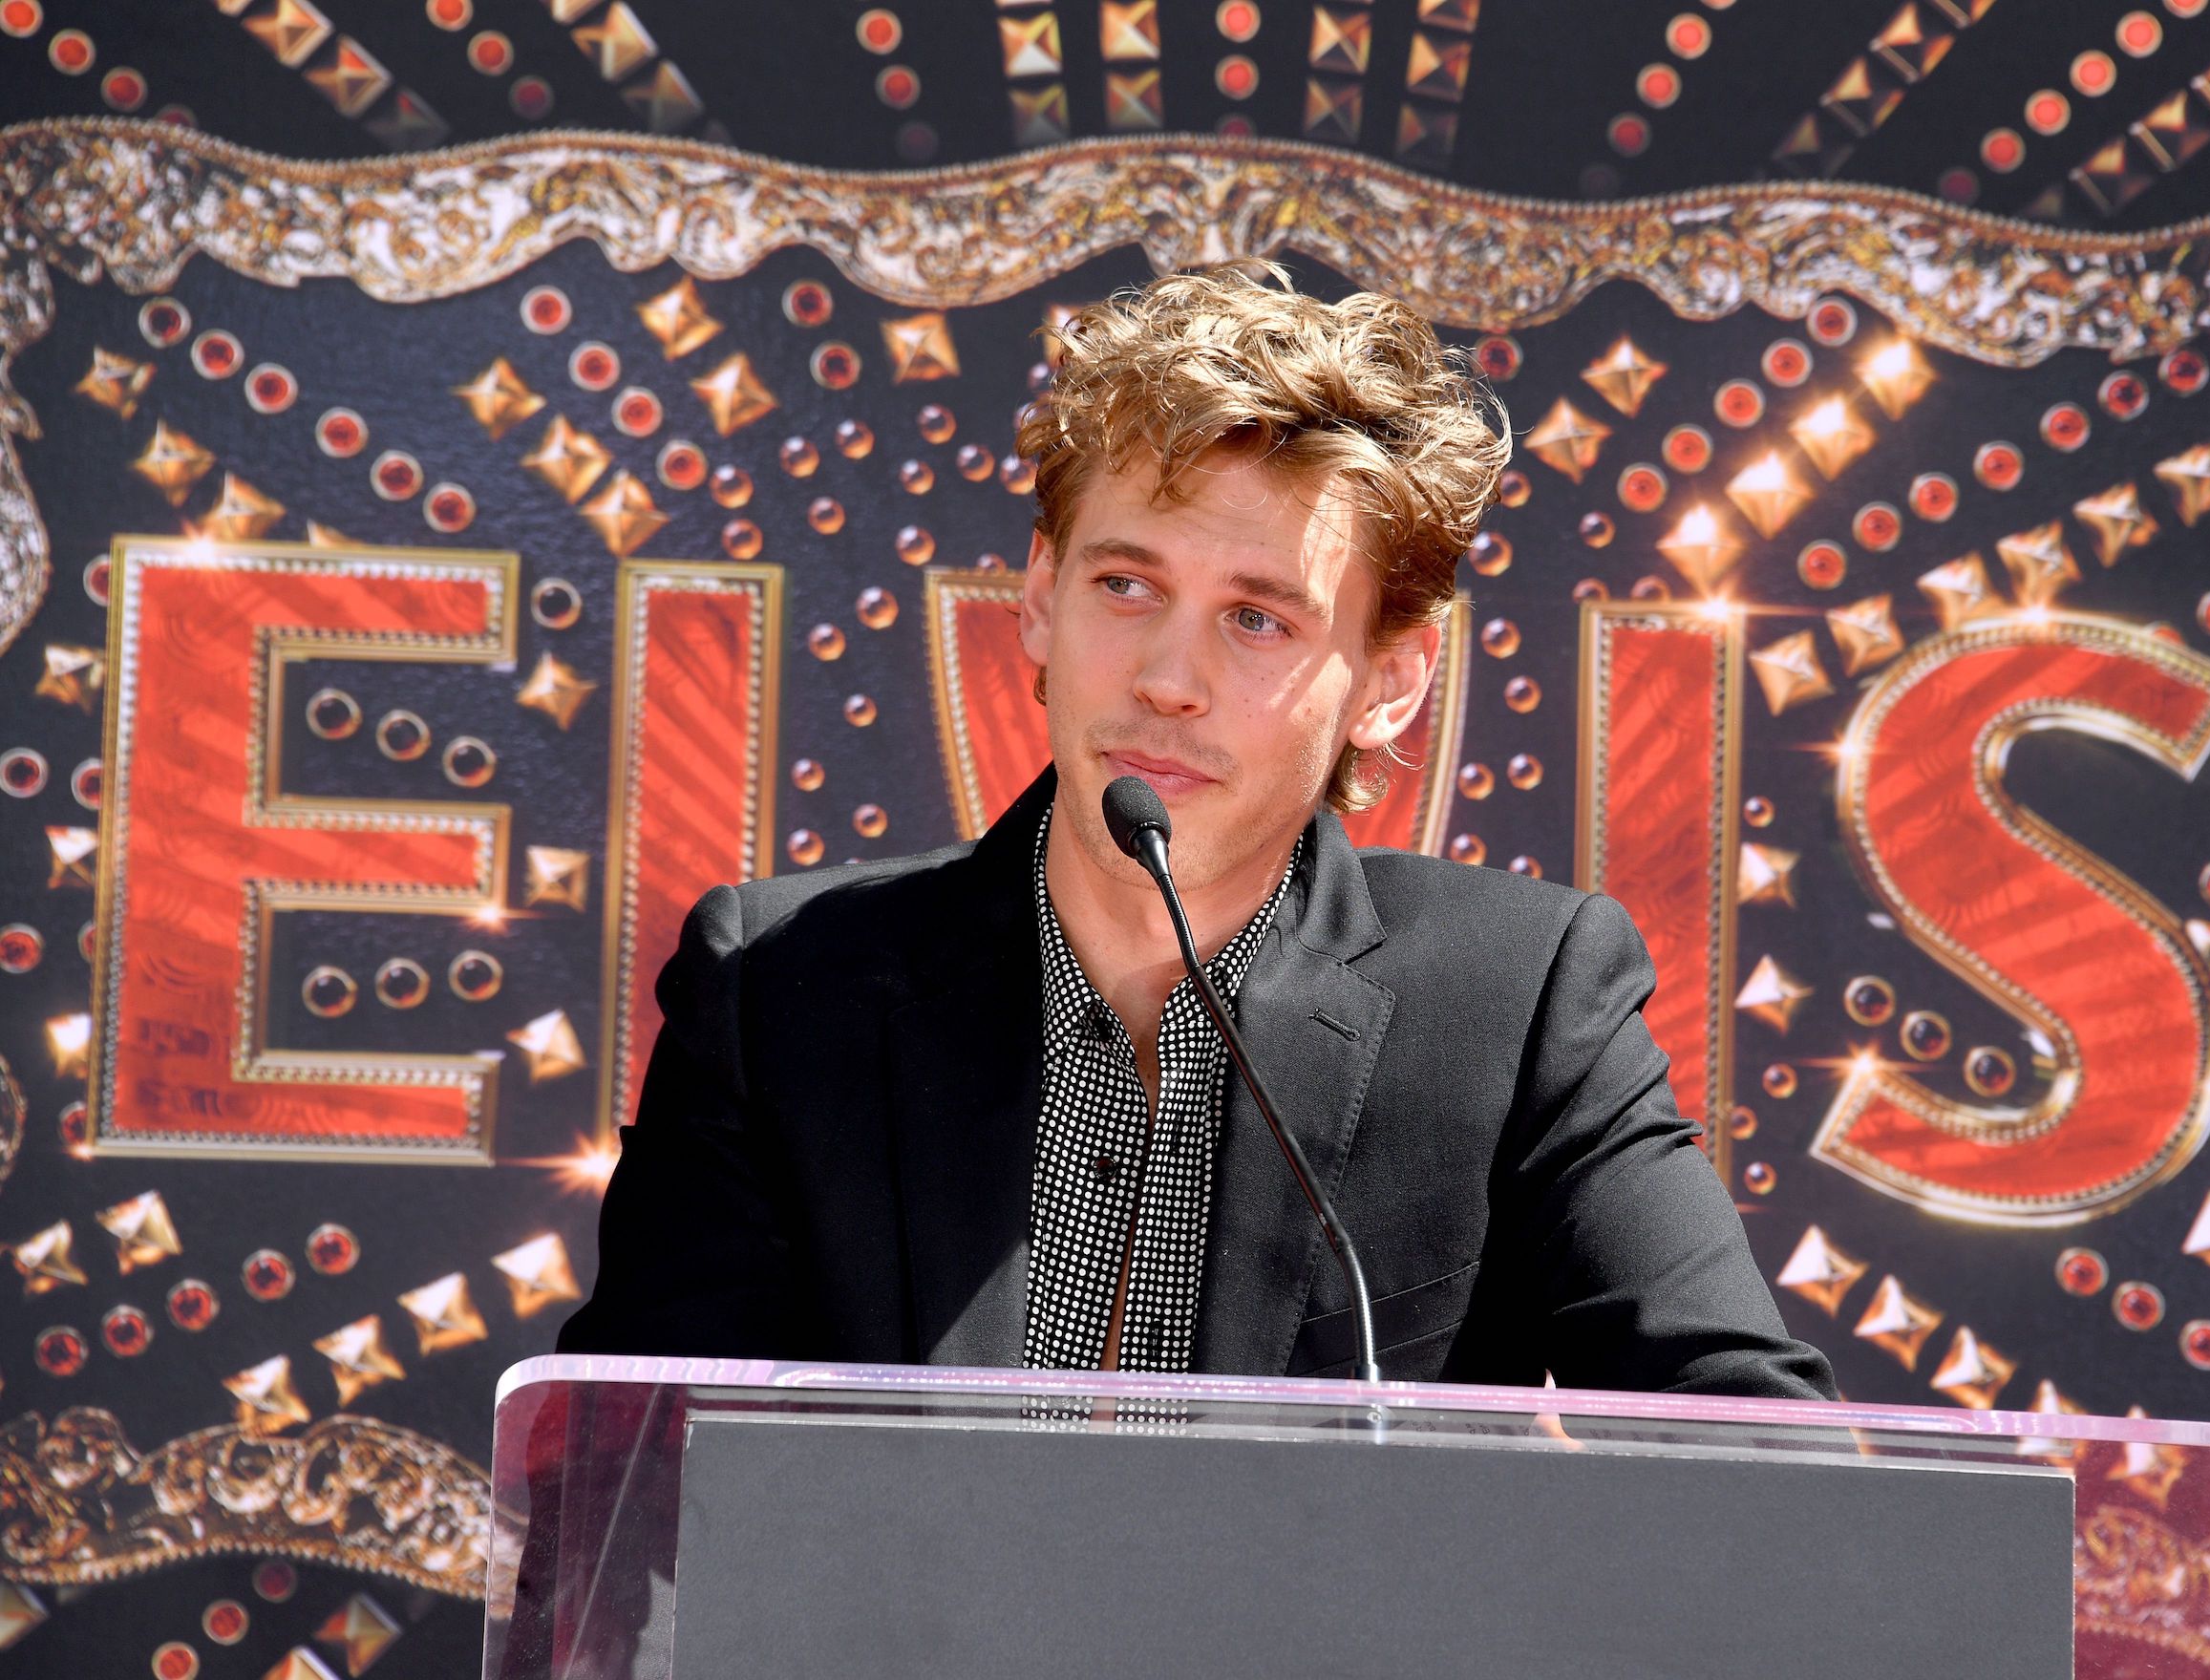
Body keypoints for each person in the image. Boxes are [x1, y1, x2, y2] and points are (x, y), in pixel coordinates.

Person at [557, 264, 1835, 1399]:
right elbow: (629, 1503)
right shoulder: (782, 989)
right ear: (1042, 598)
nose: (1169, 678)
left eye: (1259, 618)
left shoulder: (1519, 1005)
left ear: (1389, 681)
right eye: (1128, 586)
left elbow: (1758, 1460)